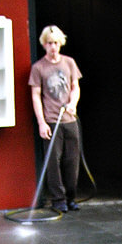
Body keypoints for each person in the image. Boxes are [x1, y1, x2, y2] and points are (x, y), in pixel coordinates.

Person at [28, 25, 82, 213]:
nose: (53, 47)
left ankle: (71, 197)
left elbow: (75, 87)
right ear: (44, 44)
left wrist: (73, 103)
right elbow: (36, 95)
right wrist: (42, 123)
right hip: (52, 120)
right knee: (53, 161)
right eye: (49, 43)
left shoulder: (69, 63)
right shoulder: (38, 68)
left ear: (61, 43)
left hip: (69, 119)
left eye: (56, 43)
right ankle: (58, 200)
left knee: (72, 161)